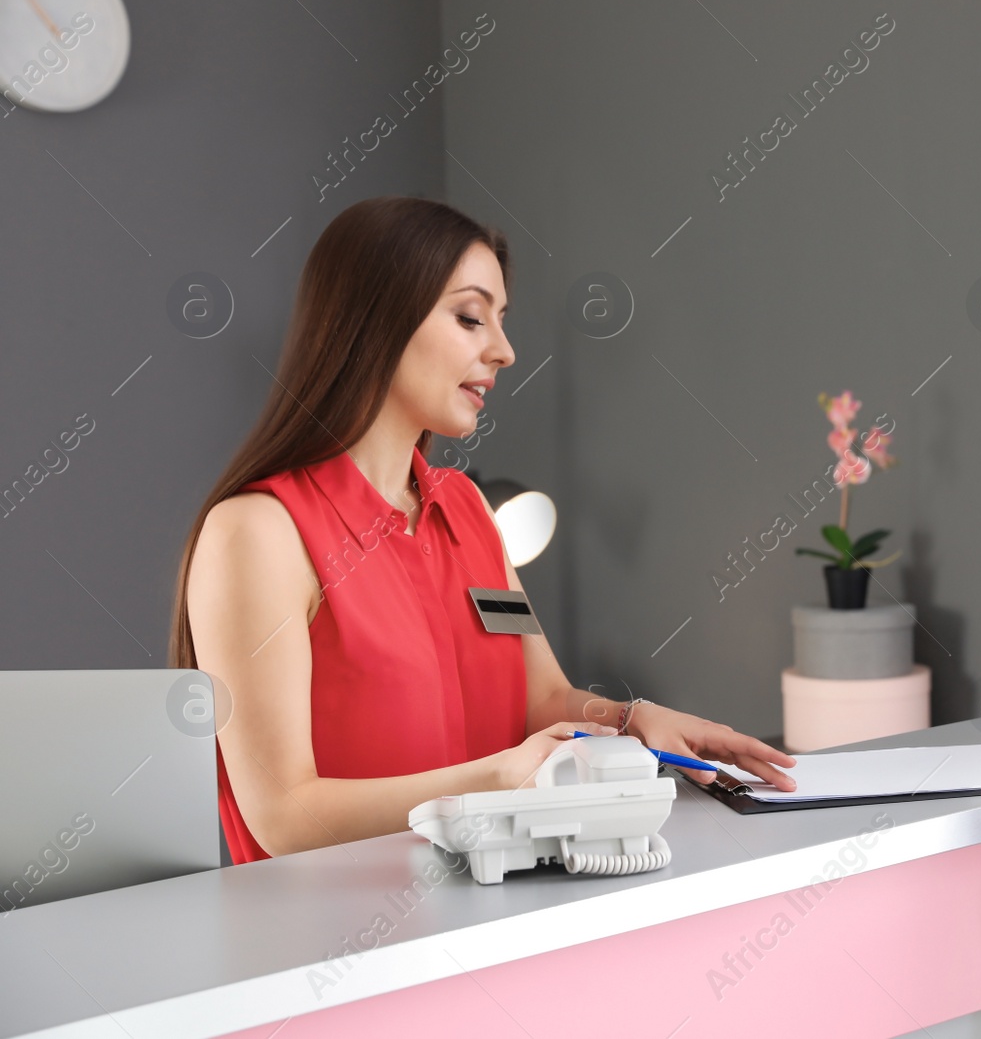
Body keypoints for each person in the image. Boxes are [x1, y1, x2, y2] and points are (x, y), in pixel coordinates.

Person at [171, 195, 796, 864]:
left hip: (491, 912)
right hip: (336, 948)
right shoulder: (257, 533)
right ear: (376, 318)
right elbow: (284, 815)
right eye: (471, 317)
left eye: (500, 320)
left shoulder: (465, 507)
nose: (504, 350)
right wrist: (495, 781)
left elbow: (543, 697)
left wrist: (630, 719)